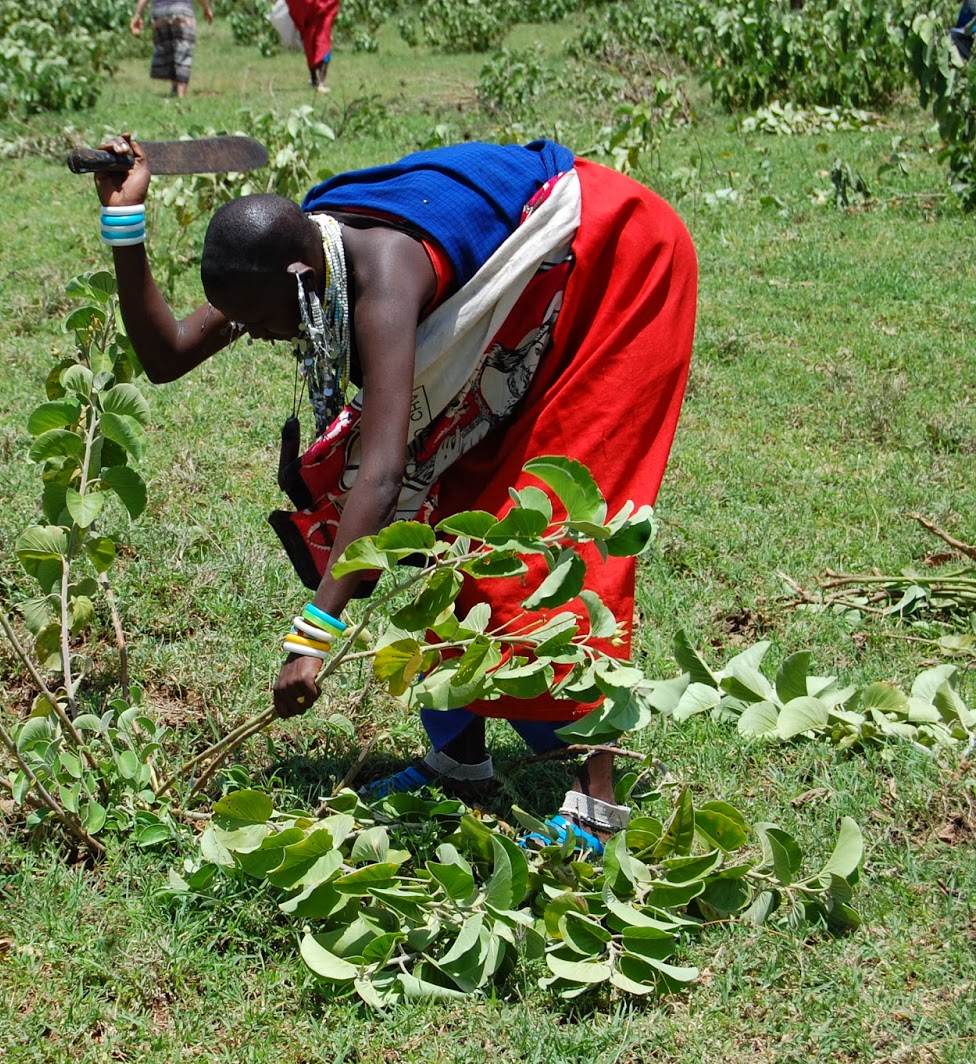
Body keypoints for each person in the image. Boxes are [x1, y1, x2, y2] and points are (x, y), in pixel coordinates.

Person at [90, 133, 697, 852]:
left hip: (615, 262)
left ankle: (598, 801)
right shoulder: (301, 260)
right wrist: (125, 223)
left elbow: (378, 477)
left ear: (297, 281)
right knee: (449, 515)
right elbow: (166, 356)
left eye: (257, 322)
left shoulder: (380, 278)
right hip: (533, 284)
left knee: (559, 523)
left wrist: (313, 640)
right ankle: (457, 761)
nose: (252, 337)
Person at [131, 0, 214, 98]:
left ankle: (174, 90)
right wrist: (206, 8)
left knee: (168, 50)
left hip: (159, 13)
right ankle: (181, 95)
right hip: (181, 11)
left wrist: (137, 14)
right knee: (183, 50)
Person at [286, 0, 339, 91]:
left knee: (314, 46)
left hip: (314, 16)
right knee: (320, 45)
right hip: (317, 15)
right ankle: (318, 82)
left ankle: (316, 80)